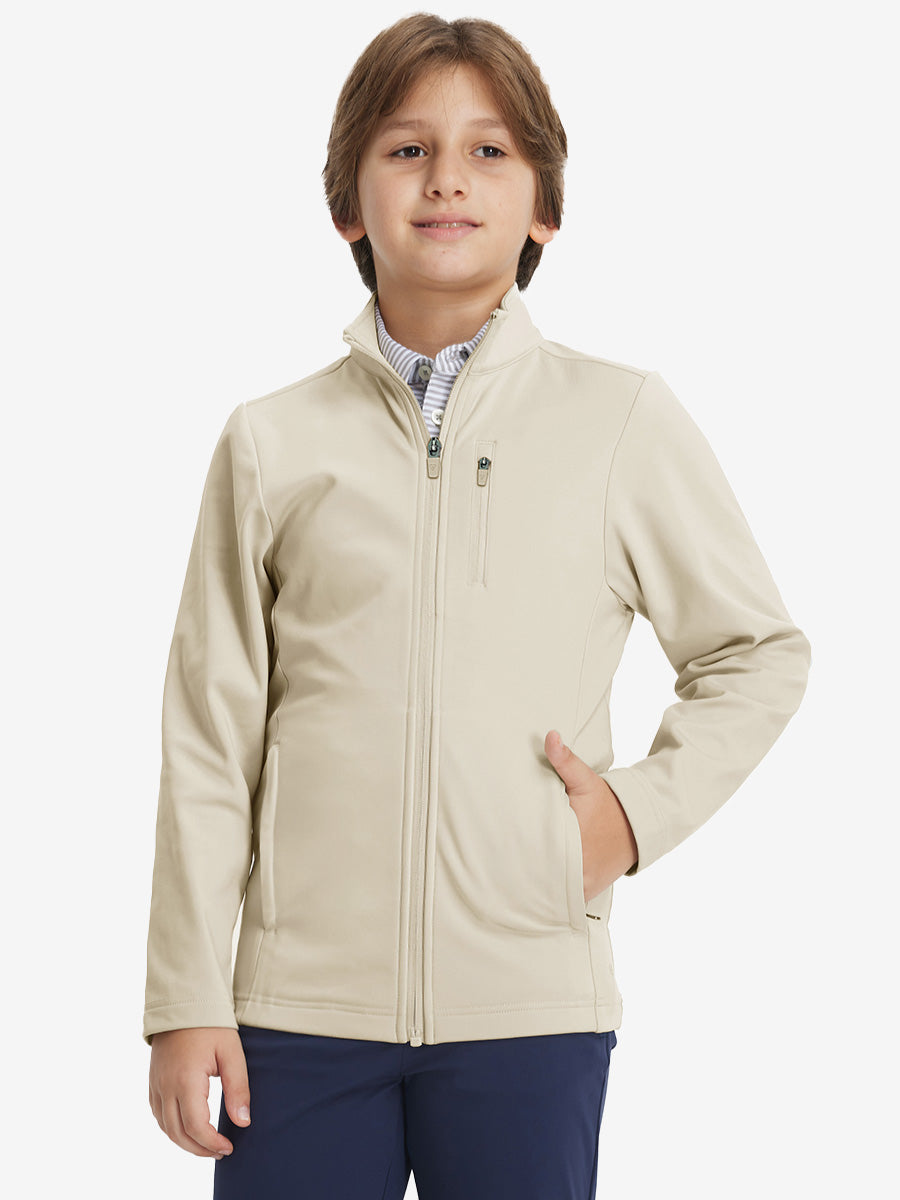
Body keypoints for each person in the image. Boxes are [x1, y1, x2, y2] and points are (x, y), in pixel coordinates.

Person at [144, 13, 811, 1200]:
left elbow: (757, 652)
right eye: (407, 149)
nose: (447, 177)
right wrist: (186, 995)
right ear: (348, 204)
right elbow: (210, 737)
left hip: (529, 1010)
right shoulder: (271, 443)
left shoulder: (621, 422)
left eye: (490, 151)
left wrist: (631, 819)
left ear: (543, 206)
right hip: (297, 1015)